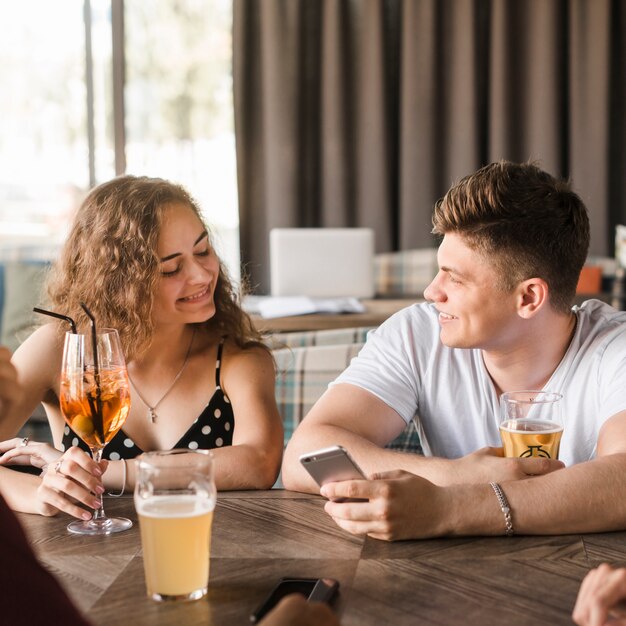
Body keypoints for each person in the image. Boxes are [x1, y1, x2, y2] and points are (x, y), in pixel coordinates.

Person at [282, 160, 626, 541]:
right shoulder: (418, 333)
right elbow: (304, 455)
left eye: (455, 279)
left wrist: (452, 506)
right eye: (438, 270)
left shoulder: (615, 348)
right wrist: (455, 475)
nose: (432, 292)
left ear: (529, 297)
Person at [0, 175, 283, 519]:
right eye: (171, 268)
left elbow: (258, 463)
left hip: (208, 556)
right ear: (119, 284)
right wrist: (35, 493)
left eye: (203, 251)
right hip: (83, 561)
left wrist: (94, 470)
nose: (202, 275)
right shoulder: (61, 348)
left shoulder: (237, 356)